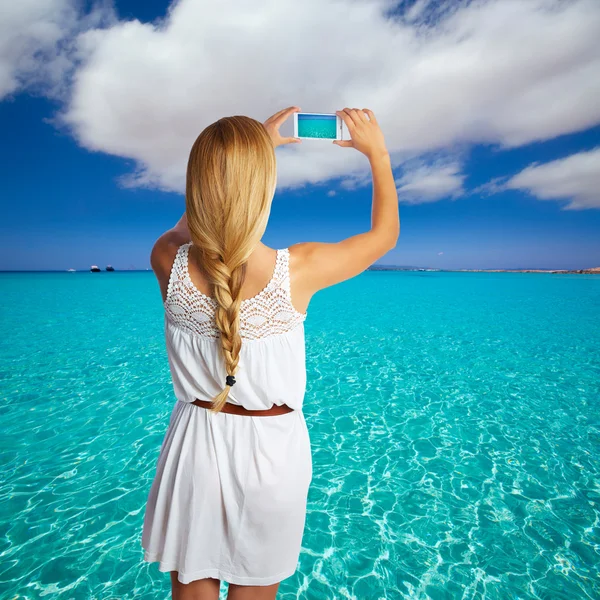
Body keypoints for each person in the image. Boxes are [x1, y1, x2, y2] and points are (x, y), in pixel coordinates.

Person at [141, 106, 399, 600]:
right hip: (271, 454)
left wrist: (248, 148)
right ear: (264, 190)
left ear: (197, 187)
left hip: (194, 441)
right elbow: (384, 236)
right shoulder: (298, 269)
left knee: (191, 588)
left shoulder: (167, 259)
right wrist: (377, 154)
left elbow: (188, 225)